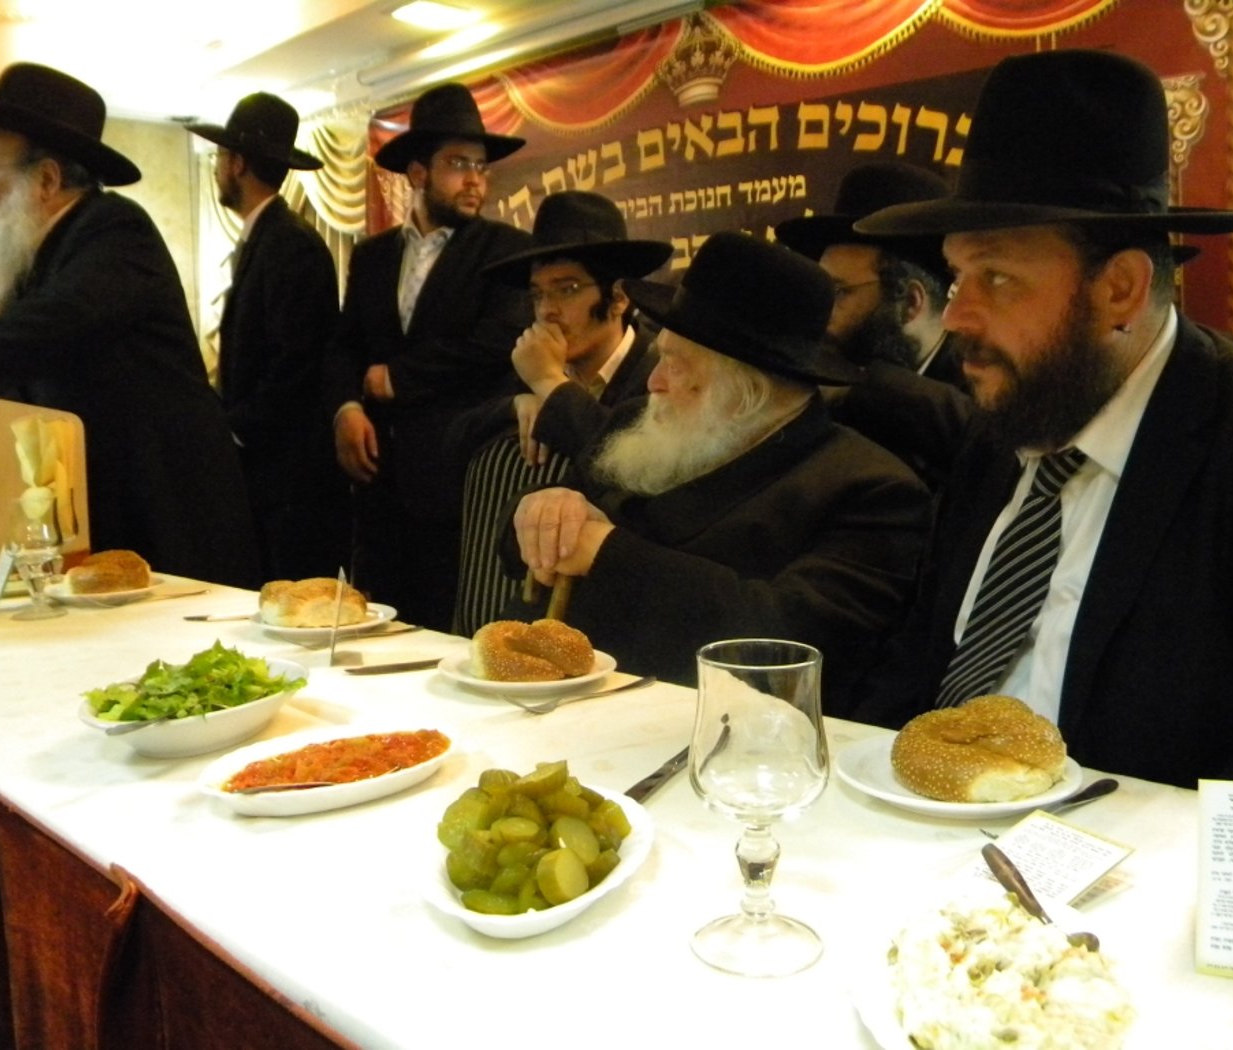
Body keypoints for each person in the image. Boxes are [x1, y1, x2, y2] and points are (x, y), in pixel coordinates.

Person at [853, 49, 1233, 787]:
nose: (958, 315)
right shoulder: (1007, 422)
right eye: (957, 276)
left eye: (997, 277)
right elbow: (916, 665)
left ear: (1120, 290)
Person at [507, 231, 931, 714]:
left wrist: (608, 555)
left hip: (719, 733)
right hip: (566, 708)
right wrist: (542, 509)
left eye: (675, 363)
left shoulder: (870, 490)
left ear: (747, 388)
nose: (653, 381)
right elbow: (515, 551)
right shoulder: (642, 422)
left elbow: (788, 643)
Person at [0, 63, 257, 586]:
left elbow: (35, 334)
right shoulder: (29, 250)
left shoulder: (115, 233)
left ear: (46, 179)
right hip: (101, 503)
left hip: (167, 507)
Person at [323, 83, 532, 629]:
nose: (475, 179)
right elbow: (345, 343)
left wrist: (398, 377)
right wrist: (347, 409)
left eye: (481, 166)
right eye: (458, 164)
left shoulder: (506, 250)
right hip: (380, 485)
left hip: (459, 481)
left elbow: (497, 343)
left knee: (449, 630)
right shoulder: (372, 256)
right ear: (418, 173)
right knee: (380, 626)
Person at [449, 190, 672, 634]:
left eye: (567, 289)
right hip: (520, 602)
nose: (548, 310)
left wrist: (552, 386)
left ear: (619, 297)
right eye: (538, 294)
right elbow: (452, 441)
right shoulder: (532, 365)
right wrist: (517, 402)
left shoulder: (658, 373)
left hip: (615, 618)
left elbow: (630, 463)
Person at [189, 92, 347, 580]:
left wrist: (232, 430)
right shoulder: (269, 237)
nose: (217, 169)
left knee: (289, 601)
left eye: (220, 157)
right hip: (271, 478)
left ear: (237, 163)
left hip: (291, 485)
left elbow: (295, 364)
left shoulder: (290, 244)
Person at [777, 162, 973, 488]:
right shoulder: (834, 382)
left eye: (839, 293)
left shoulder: (982, 370)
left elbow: (982, 441)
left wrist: (859, 386)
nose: (822, 314)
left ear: (910, 303)